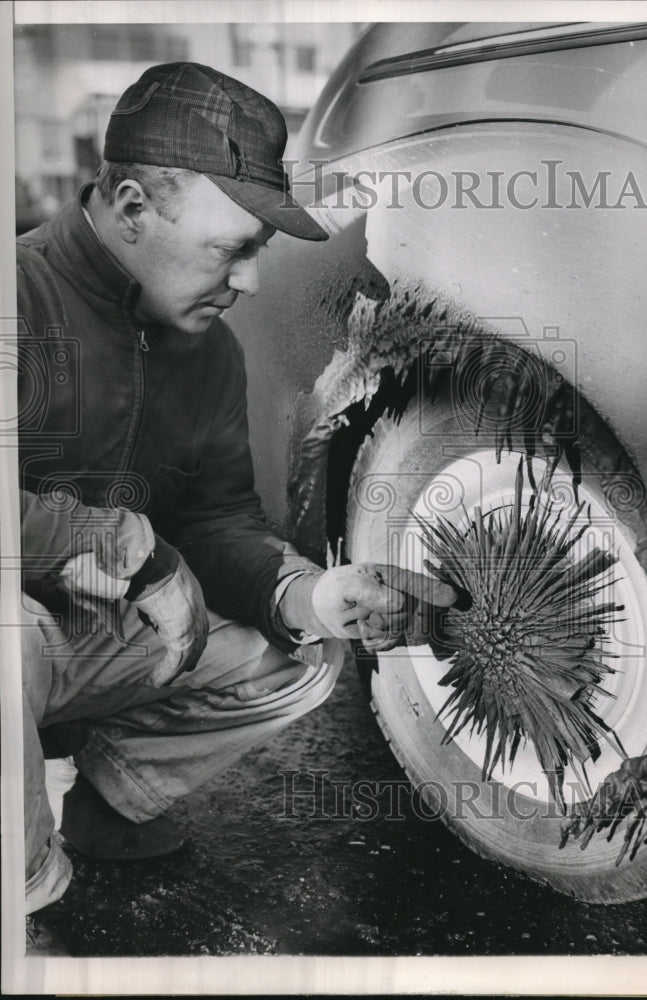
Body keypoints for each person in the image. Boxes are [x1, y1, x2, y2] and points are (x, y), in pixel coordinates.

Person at [16, 62, 455, 953]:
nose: (251, 281)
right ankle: (26, 914)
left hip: (95, 637)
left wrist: (310, 595)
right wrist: (125, 545)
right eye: (237, 246)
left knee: (292, 654)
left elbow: (218, 520)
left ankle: (107, 805)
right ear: (135, 206)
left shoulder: (206, 350)